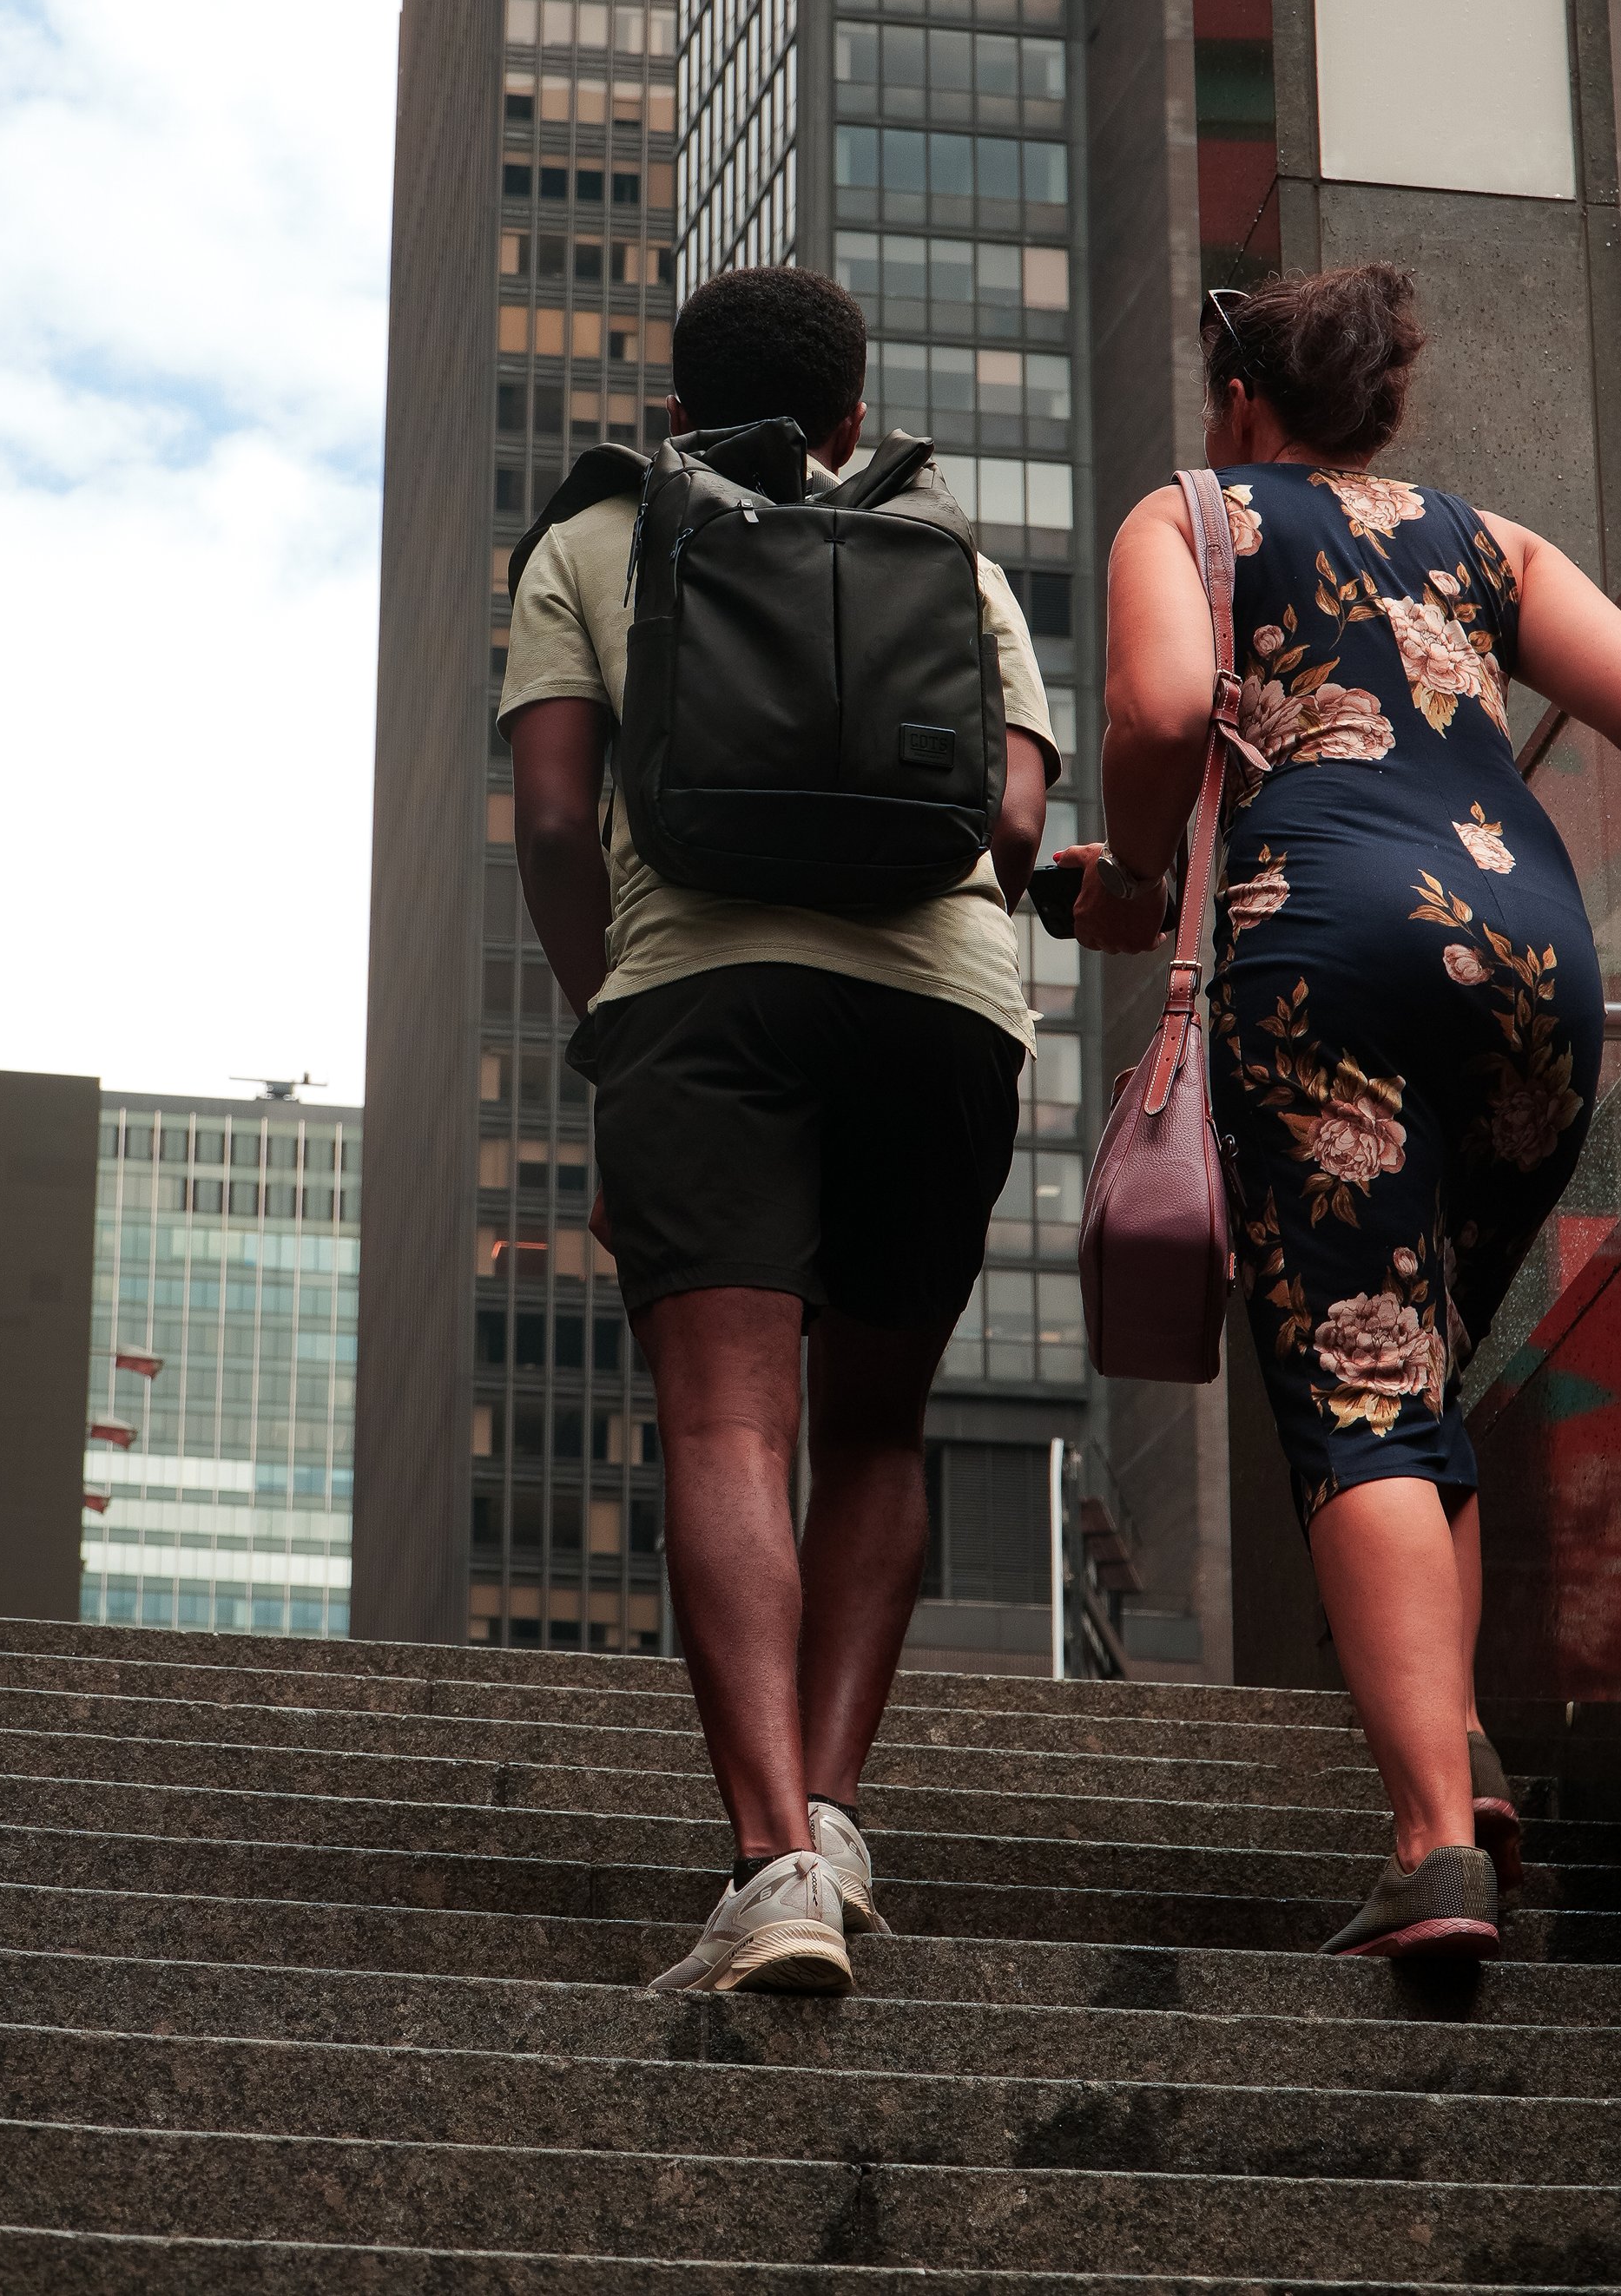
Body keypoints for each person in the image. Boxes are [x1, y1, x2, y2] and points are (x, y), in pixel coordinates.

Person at [1068, 261, 1621, 1960]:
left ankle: (1427, 1848)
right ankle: (1466, 1760)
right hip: (1526, 968)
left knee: (1352, 1382)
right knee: (1415, 1372)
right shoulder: (1484, 545)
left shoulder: (1188, 514)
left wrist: (1130, 868)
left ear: (1245, 407)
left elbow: (1160, 712)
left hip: (1323, 952)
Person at [501, 264, 1058, 1994]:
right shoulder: (948, 556)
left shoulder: (595, 539)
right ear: (851, 412)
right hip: (941, 1009)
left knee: (725, 1429)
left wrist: (612, 1007)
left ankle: (772, 1869)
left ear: (675, 407)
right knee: (874, 1433)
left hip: (702, 1000)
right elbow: (1018, 820)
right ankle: (829, 1803)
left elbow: (548, 811)